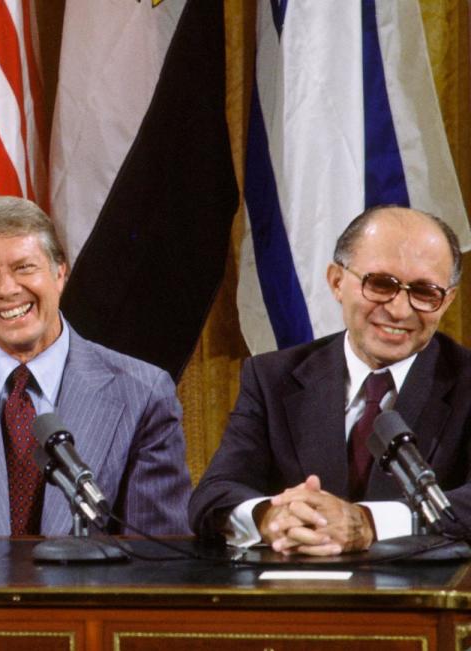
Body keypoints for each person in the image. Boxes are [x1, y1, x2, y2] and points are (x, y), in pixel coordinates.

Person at [0, 196, 191, 536]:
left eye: (24, 268)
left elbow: (155, 560)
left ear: (59, 273)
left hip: (90, 589)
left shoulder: (142, 392)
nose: (8, 290)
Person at [189, 205, 471, 556]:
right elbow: (214, 494)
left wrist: (368, 524)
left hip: (426, 601)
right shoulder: (272, 377)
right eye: (381, 284)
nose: (400, 310)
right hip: (298, 601)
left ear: (448, 301)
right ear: (337, 282)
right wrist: (270, 517)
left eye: (425, 292)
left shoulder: (464, 381)